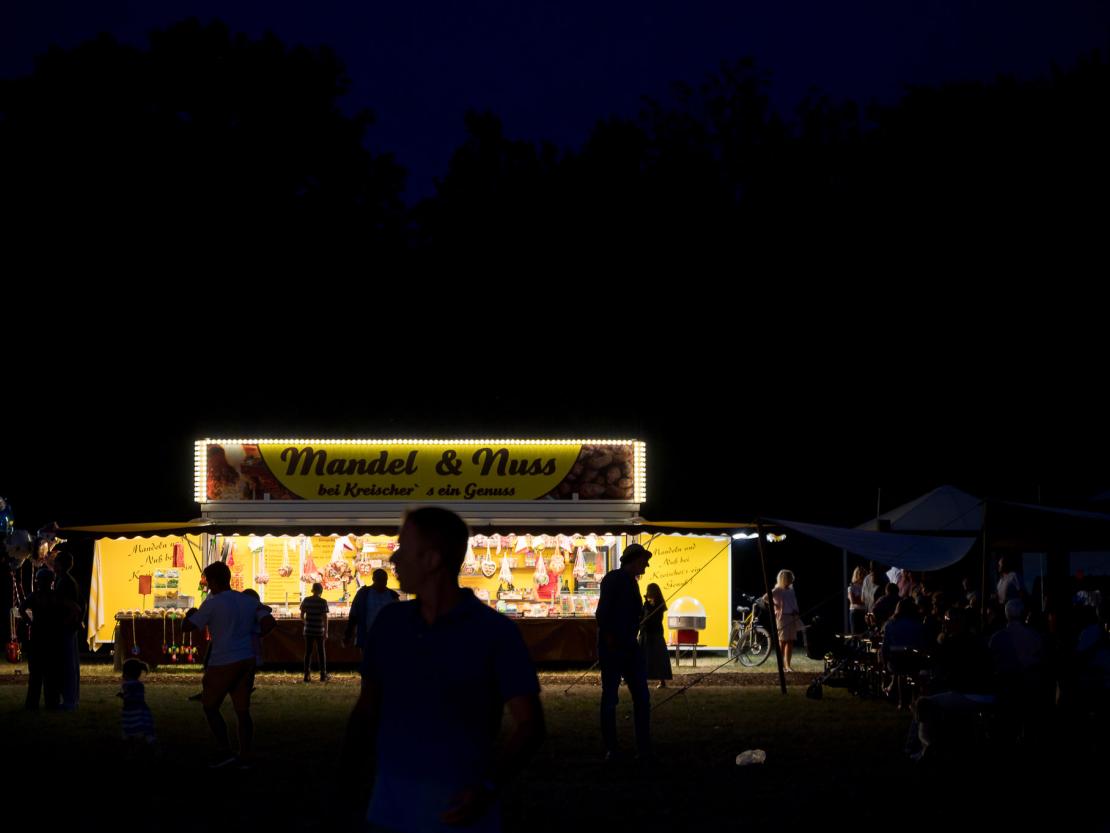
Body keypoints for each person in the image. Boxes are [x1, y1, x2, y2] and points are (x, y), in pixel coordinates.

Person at [344, 507, 544, 833]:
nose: (394, 560)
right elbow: (366, 709)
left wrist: (488, 787)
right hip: (387, 809)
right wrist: (347, 782)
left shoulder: (493, 632)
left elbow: (530, 725)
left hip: (460, 815)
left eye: (404, 549)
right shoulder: (391, 625)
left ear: (432, 560)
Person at [184, 561, 274, 768]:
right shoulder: (247, 601)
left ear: (214, 581)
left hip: (223, 660)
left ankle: (225, 750)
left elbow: (188, 626)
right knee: (242, 710)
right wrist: (256, 635)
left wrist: (190, 614)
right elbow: (269, 621)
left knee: (210, 706)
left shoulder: (212, 603)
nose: (207, 586)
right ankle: (246, 754)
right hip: (246, 659)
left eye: (208, 582)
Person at [597, 542, 652, 759]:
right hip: (615, 647)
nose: (646, 566)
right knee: (612, 698)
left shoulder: (631, 582)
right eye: (644, 561)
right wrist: (610, 638)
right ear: (635, 560)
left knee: (640, 696)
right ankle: (613, 747)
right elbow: (603, 613)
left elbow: (632, 612)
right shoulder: (615, 579)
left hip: (628, 645)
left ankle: (641, 746)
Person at [343, 568, 399, 660]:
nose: (382, 582)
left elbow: (399, 618)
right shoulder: (363, 594)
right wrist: (348, 635)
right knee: (368, 664)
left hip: (387, 638)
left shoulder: (393, 596)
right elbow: (353, 615)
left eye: (384, 580)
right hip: (367, 637)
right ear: (373, 579)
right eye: (379, 580)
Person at [52, 550, 82, 710]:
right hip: (70, 627)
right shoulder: (68, 580)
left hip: (66, 627)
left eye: (56, 561)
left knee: (68, 665)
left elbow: (72, 606)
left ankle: (70, 701)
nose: (54, 564)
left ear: (61, 565)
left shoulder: (64, 582)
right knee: (71, 664)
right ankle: (73, 699)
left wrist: (65, 623)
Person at [639, 582, 672, 689]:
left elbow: (655, 619)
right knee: (643, 658)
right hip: (645, 633)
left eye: (649, 590)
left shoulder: (659, 605)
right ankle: (642, 680)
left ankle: (662, 681)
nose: (647, 592)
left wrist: (647, 607)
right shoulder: (647, 604)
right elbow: (642, 616)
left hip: (655, 634)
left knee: (658, 658)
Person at [119, 658, 156, 748]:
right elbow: (137, 698)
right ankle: (150, 744)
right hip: (141, 711)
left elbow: (131, 699)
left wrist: (124, 697)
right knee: (145, 729)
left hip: (133, 713)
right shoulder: (138, 685)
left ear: (127, 673)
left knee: (132, 729)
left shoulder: (128, 685)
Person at [770, 569, 801, 672]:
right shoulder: (778, 589)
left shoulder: (791, 590)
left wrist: (796, 611)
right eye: (790, 578)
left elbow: (794, 602)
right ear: (784, 579)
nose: (792, 580)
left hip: (792, 617)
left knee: (790, 641)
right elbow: (765, 597)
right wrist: (776, 606)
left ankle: (788, 665)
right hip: (783, 618)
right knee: (782, 641)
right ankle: (781, 666)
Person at [300, 581, 329, 682]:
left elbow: (301, 615)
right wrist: (326, 631)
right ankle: (323, 674)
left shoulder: (306, 600)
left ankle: (306, 675)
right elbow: (325, 618)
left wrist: (306, 623)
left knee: (308, 652)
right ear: (321, 591)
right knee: (321, 652)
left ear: (313, 590)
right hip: (319, 630)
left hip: (308, 630)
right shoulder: (323, 602)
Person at [848, 566, 866, 635]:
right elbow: (853, 601)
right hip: (855, 613)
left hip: (864, 612)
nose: (863, 576)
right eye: (861, 574)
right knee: (855, 635)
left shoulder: (866, 587)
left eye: (864, 574)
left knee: (863, 635)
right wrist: (863, 600)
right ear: (857, 575)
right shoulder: (852, 587)